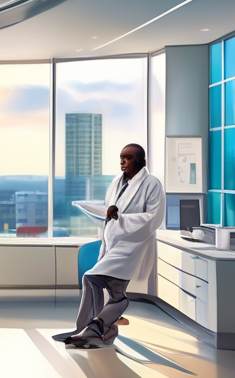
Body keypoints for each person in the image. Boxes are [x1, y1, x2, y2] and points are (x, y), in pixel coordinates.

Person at [59, 143, 166, 349]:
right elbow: (110, 209)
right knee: (111, 288)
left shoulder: (152, 184)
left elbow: (154, 218)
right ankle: (101, 332)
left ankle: (90, 329)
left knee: (95, 280)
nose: (122, 161)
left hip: (133, 245)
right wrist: (106, 212)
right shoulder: (117, 181)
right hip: (112, 243)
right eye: (121, 157)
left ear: (140, 160)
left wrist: (122, 218)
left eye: (127, 158)